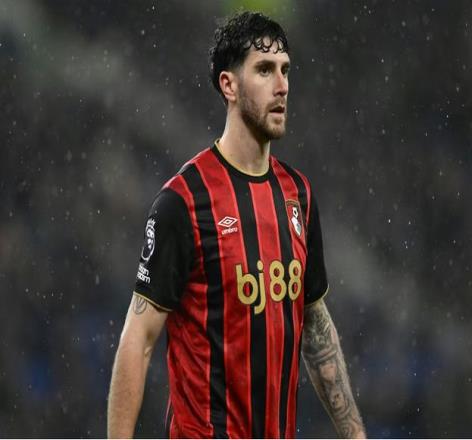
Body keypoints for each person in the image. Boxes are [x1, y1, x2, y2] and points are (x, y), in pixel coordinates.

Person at [107, 11, 366, 439]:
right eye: (264, 70)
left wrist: (355, 434)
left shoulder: (298, 195)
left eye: (285, 70)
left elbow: (315, 324)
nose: (281, 85)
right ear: (228, 85)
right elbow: (138, 341)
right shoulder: (184, 201)